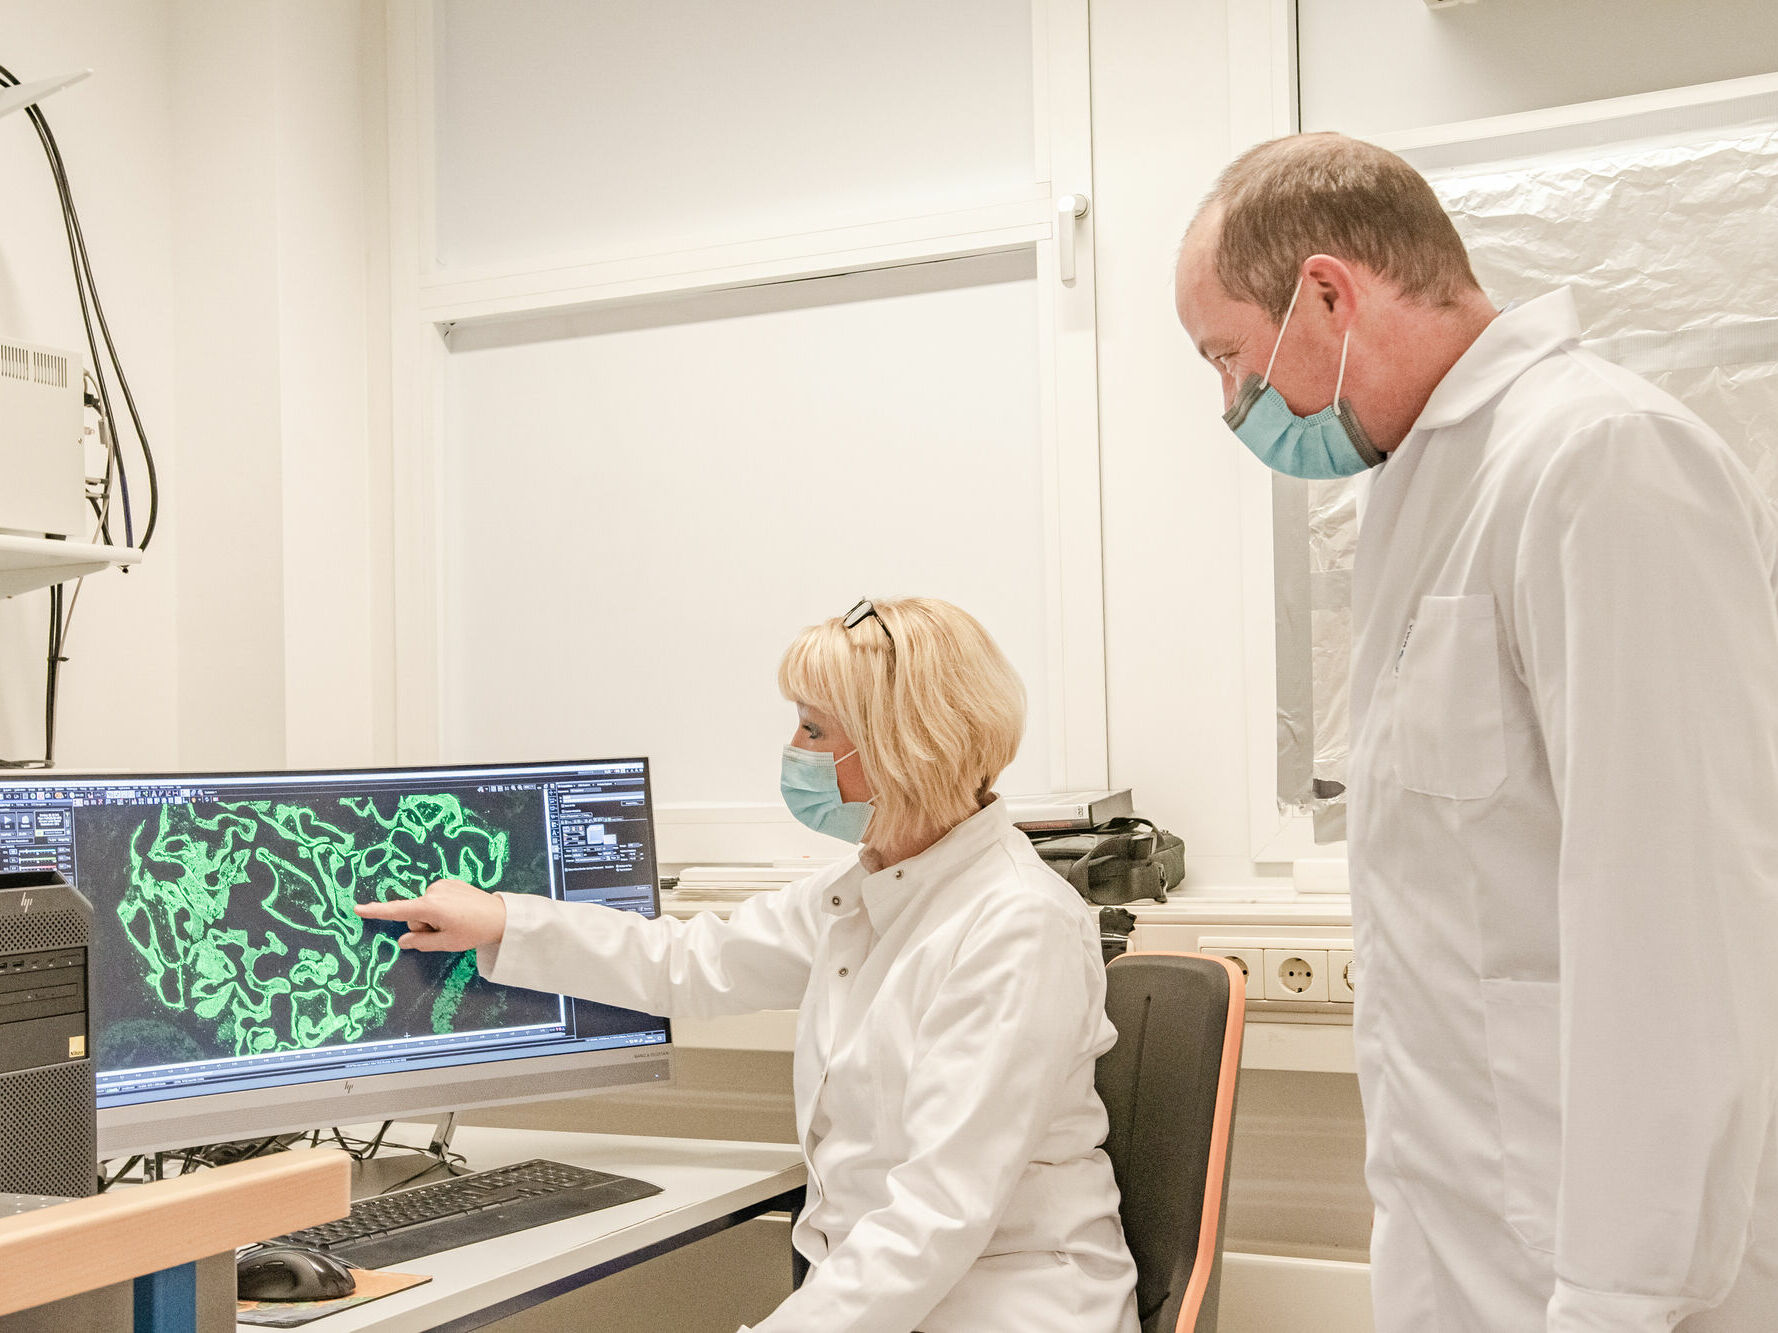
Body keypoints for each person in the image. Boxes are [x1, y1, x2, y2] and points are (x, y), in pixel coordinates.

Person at [1173, 132, 1778, 1331]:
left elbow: (1680, 908)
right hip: (1466, 1238)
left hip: (1621, 1276)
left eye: (1230, 359)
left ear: (1328, 295)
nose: (1233, 405)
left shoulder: (1596, 458)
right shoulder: (1416, 489)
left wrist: (1619, 1295)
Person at [357, 596, 1140, 1333]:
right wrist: (501, 919)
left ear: (901, 750)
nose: (792, 753)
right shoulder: (872, 888)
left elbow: (936, 1214)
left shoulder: (1015, 925)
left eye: (812, 730)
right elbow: (692, 962)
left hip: (999, 1303)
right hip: (881, 1293)